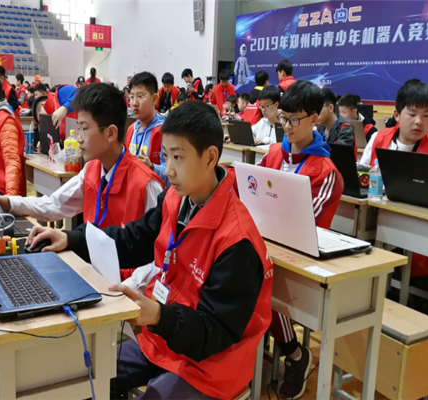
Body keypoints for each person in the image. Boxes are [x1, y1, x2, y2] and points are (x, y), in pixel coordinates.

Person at [25, 100, 273, 400]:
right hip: (164, 341)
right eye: (165, 156)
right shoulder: (175, 199)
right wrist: (72, 239)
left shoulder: (238, 242)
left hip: (210, 365)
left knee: (144, 390)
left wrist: (158, 316)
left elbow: (215, 332)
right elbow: (134, 239)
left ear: (210, 157)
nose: (169, 170)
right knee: (81, 377)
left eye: (178, 157)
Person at [0, 83, 164, 288]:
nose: (78, 138)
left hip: (125, 290)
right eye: (78, 128)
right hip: (89, 276)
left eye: (84, 129)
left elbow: (157, 259)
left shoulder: (147, 184)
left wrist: (124, 290)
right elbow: (55, 205)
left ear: (111, 133)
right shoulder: (92, 170)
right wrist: (7, 202)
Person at [258, 80, 344, 400]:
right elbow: (253, 190)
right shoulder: (274, 154)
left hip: (304, 256)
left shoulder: (325, 171)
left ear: (314, 118)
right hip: (270, 244)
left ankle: (295, 354)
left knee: (261, 280)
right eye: (283, 117)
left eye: (294, 119)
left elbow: (303, 220)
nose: (287, 126)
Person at [361, 81, 428, 316]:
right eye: (412, 114)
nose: (419, 122)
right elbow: (362, 177)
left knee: (417, 305)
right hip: (373, 230)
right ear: (397, 115)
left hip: (418, 239)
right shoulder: (378, 139)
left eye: (427, 115)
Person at [125, 72, 168, 186]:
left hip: (156, 192)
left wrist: (152, 167)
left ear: (154, 99)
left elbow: (173, 171)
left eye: (140, 96)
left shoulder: (164, 132)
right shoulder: (131, 130)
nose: (134, 103)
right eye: (131, 97)